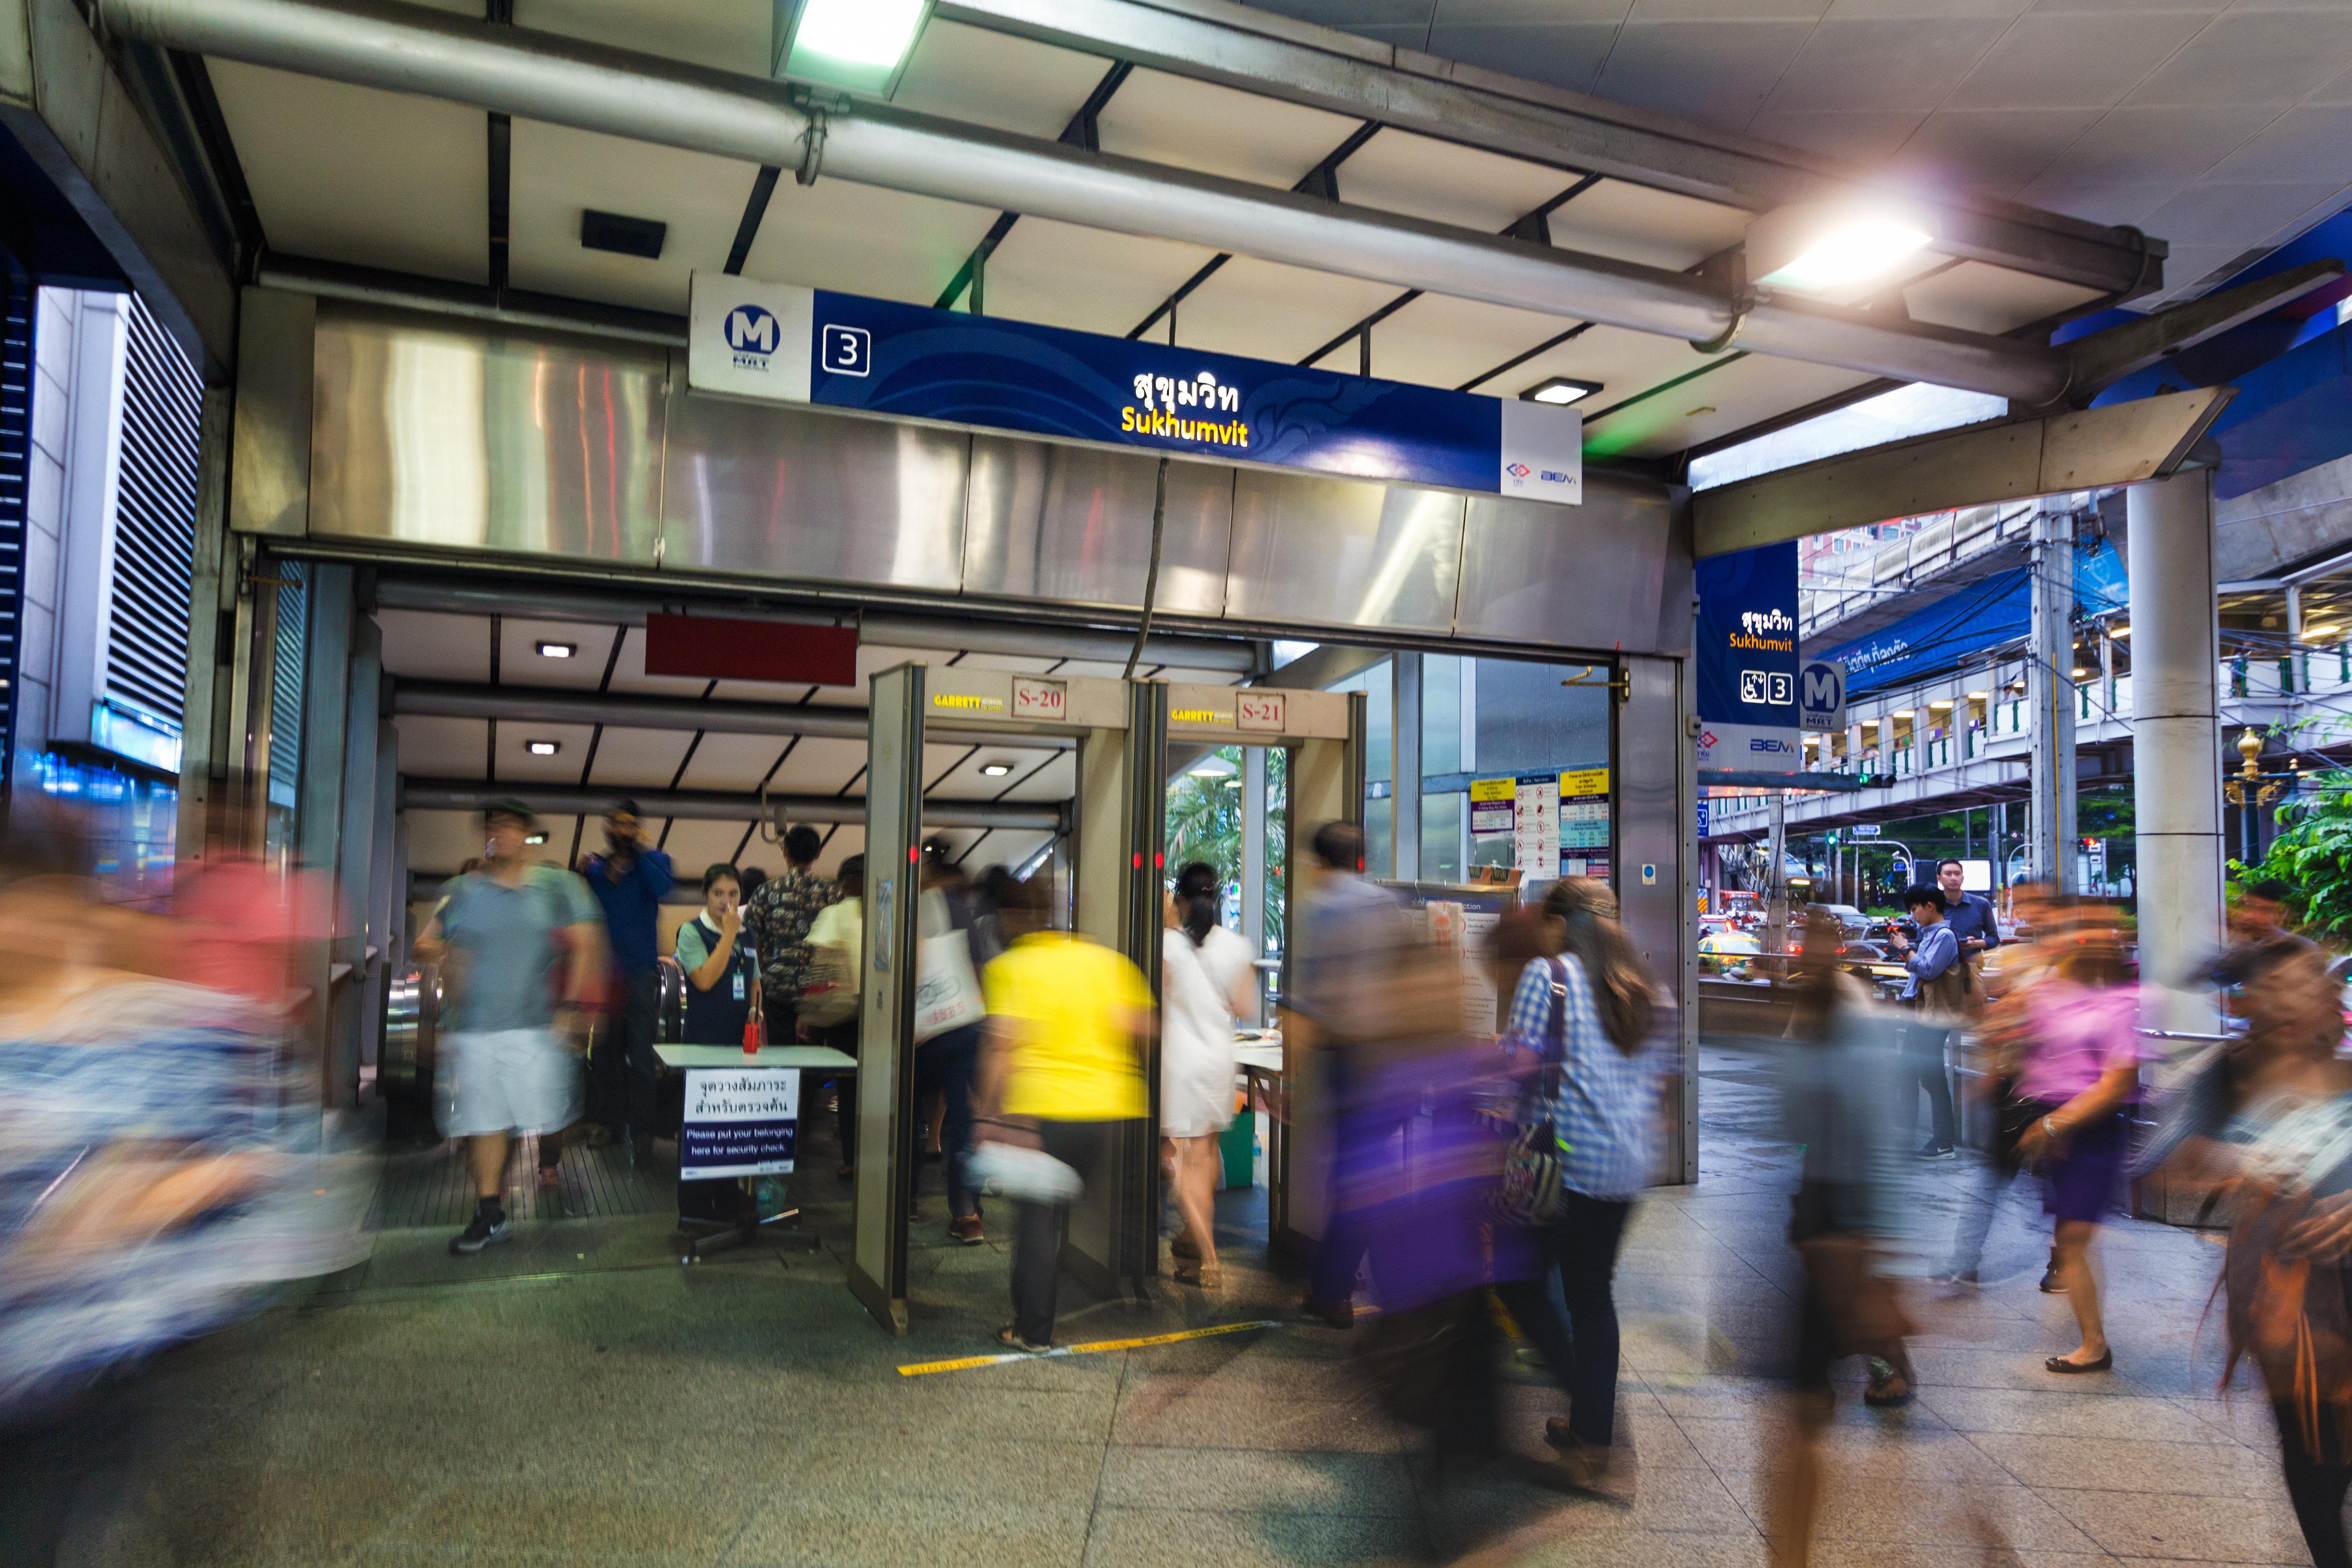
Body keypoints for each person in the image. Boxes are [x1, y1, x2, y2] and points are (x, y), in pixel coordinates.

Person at [2151, 948, 2352, 1567]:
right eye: (2275, 988)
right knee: (2315, 1444)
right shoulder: (2229, 1073)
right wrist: (2244, 1161)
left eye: (2306, 983)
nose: (2293, 998)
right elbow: (2173, 1154)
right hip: (2291, 1290)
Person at [1486, 878, 1661, 1490]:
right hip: (1627, 1170)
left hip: (1567, 1165)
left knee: (1515, 1279)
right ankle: (1592, 1432)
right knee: (1592, 1294)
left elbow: (1520, 1070)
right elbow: (1657, 1083)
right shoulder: (1644, 987)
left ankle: (1586, 1406)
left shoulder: (1549, 975)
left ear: (1564, 923)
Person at [1769, 913, 1918, 1568]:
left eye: (1823, 942)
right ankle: (1791, 1547)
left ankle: (1887, 1368)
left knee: (1847, 1338)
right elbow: (1793, 1116)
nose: (1816, 952)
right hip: (1820, 1211)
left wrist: (1883, 1252)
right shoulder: (1811, 1010)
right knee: (1802, 1402)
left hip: (1849, 1220)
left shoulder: (1854, 1018)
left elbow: (1878, 1137)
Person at [415, 800, 604, 1255]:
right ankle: (489, 1210)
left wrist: (572, 1007)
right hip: (474, 1029)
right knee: (485, 1123)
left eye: (512, 827)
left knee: (545, 1117)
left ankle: (545, 1174)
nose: (502, 834)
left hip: (533, 1028)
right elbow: (426, 940)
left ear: (527, 836)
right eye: (494, 827)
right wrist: (449, 955)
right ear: (487, 836)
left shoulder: (554, 887)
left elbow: (586, 940)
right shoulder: (463, 891)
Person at [975, 872, 1153, 1352]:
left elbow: (1001, 1045)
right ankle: (1130, 1277)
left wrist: (985, 1114)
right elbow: (1142, 1023)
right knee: (1075, 1206)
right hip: (1107, 1111)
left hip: (1041, 1113)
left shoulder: (1012, 967)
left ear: (1016, 920)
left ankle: (1032, 1329)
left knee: (1036, 1223)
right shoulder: (1106, 962)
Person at [1289, 820, 1411, 1327]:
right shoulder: (1388, 904)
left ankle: (1344, 1291)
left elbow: (1309, 996)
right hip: (1391, 1057)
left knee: (1353, 1177)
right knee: (1366, 1172)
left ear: (1320, 863)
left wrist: (1294, 1078)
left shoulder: (1320, 909)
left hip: (1347, 1060)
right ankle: (1344, 1288)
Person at [2010, 908, 2141, 1374]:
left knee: (2072, 1237)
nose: (2089, 948)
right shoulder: (2049, 991)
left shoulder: (2121, 1005)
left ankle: (2093, 1345)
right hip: (2053, 1129)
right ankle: (2093, 1341)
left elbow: (2113, 1083)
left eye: (2100, 942)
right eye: (2080, 940)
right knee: (2070, 1240)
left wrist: (2052, 1126)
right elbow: (2025, 1038)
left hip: (2091, 1129)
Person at [1161, 860, 1254, 1289]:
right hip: (1219, 1062)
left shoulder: (1167, 945)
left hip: (1179, 1066)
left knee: (1178, 1162)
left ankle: (1210, 1256)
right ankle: (1195, 1243)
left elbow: (1155, 999)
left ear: (1179, 898)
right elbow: (1244, 1007)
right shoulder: (1237, 945)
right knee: (1204, 1157)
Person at [582, 799, 673, 1161]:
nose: (623, 830)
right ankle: (608, 1123)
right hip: (605, 975)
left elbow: (662, 887)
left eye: (630, 824)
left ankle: (643, 1130)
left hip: (639, 973)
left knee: (640, 1055)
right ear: (607, 827)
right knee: (604, 1055)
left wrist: (638, 852)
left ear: (638, 828)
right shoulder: (595, 869)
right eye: (617, 824)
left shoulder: (655, 862)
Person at [915, 839, 996, 1243]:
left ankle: (905, 1200)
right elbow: (979, 970)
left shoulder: (904, 911)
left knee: (907, 1112)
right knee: (964, 1122)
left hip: (921, 1033)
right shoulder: (961, 911)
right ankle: (966, 1214)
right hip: (963, 1028)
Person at [1888, 884, 1964, 1158]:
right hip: (1922, 1015)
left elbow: (1929, 971)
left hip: (1934, 1018)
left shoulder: (1943, 936)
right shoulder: (1931, 935)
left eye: (1915, 908)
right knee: (1908, 1072)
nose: (1913, 915)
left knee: (1931, 1078)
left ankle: (1944, 1142)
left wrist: (1905, 949)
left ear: (1930, 906)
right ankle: (1905, 1134)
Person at [801, 855, 863, 1177]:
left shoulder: (834, 913)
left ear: (844, 882)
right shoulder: (886, 914)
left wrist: (808, 1015)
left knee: (848, 1088)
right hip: (878, 1012)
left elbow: (819, 962)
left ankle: (851, 1160)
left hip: (843, 1011)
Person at [674, 862, 758, 1045]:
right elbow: (704, 981)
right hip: (703, 1038)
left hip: (740, 1039)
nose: (726, 901)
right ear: (706, 895)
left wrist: (755, 1011)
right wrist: (729, 934)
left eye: (733, 894)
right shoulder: (691, 931)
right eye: (718, 893)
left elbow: (755, 980)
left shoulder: (748, 933)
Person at [1934, 858, 2002, 968]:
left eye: (1957, 874)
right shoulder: (1933, 906)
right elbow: (1922, 939)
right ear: (1939, 879)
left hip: (1972, 971)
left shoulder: (1981, 905)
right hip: (1939, 971)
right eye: (1948, 874)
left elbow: (1994, 939)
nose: (1953, 878)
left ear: (1963, 878)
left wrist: (1976, 944)